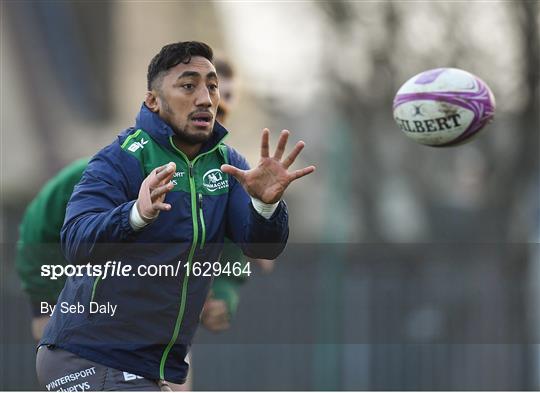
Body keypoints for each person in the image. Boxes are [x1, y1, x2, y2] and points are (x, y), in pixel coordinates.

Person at [36, 41, 314, 390]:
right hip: (88, 356)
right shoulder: (120, 159)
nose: (205, 98)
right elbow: (75, 242)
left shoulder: (228, 166)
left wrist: (265, 205)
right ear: (153, 100)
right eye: (188, 85)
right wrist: (135, 214)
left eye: (212, 86)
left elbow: (262, 248)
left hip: (146, 366)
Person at [17, 55, 250, 390]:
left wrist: (225, 292)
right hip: (92, 332)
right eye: (194, 90)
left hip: (160, 334)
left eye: (223, 99)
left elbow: (234, 246)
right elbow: (41, 224)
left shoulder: (220, 176)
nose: (213, 104)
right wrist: (45, 298)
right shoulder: (118, 164)